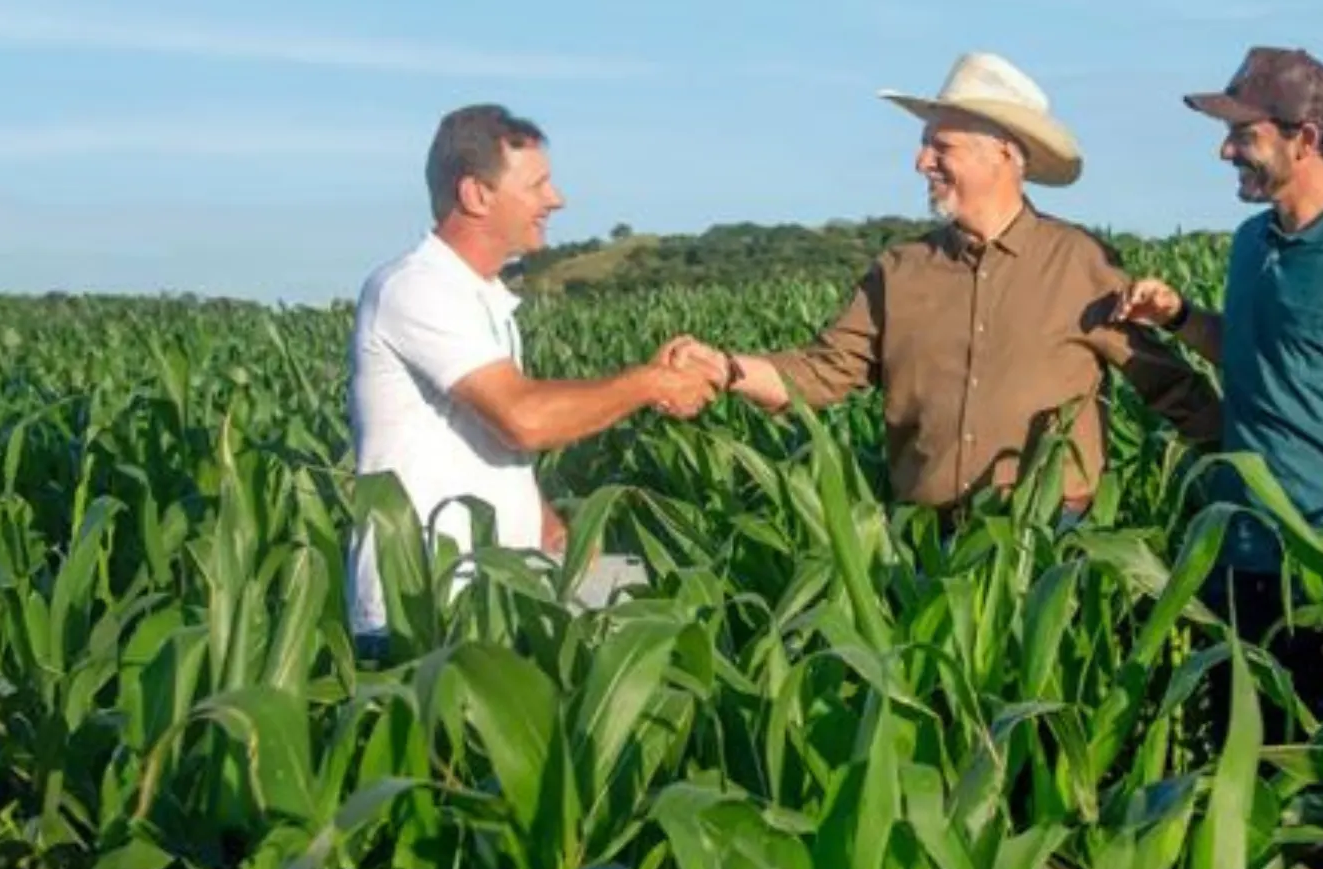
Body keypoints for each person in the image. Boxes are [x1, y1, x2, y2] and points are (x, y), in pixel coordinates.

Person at [677, 52, 1221, 524]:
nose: (921, 162)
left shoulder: (1080, 263)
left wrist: (1253, 468)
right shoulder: (900, 270)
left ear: (1004, 153)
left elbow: (1169, 387)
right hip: (925, 543)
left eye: (942, 147)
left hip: (1051, 535)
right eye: (923, 147)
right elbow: (820, 374)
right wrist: (725, 369)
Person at [1115, 47, 1323, 734]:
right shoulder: (1252, 243)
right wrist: (1180, 317)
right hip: (1237, 553)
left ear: (1304, 140)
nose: (1224, 151)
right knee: (1241, 767)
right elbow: (1252, 357)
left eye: (1245, 135)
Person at [347, 104, 720, 648]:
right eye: (538, 185)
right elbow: (522, 418)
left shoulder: (480, 298)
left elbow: (483, 443)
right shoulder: (415, 287)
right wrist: (652, 383)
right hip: (425, 609)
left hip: (498, 593)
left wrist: (550, 529)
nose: (556, 199)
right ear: (476, 194)